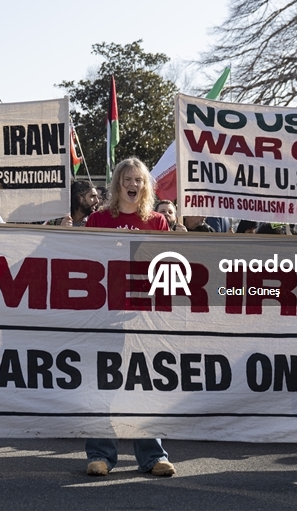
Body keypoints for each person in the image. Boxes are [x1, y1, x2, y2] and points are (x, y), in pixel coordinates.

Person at [83, 158, 174, 477]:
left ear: (145, 185)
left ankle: (153, 456)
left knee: (143, 385)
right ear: (117, 184)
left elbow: (167, 269)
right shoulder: (97, 220)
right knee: (100, 384)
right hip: (104, 315)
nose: (133, 184)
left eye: (139, 179)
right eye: (127, 179)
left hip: (143, 317)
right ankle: (100, 455)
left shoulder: (157, 223)